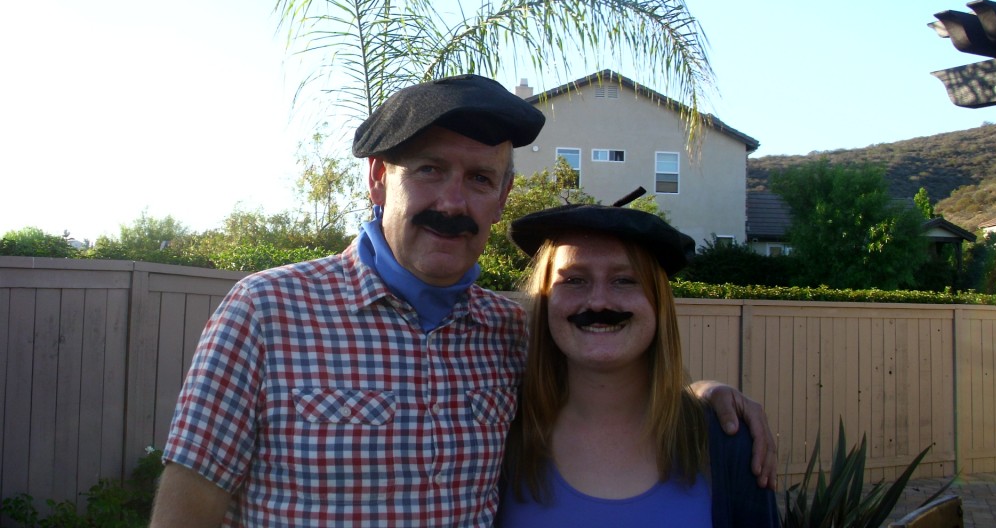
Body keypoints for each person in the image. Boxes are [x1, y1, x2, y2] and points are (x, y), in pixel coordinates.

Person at [149, 74, 776, 527]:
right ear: (377, 178)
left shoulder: (510, 334)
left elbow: (608, 366)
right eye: (429, 170)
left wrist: (703, 395)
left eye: (479, 179)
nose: (453, 203)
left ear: (502, 197)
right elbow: (187, 507)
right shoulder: (266, 310)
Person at [498, 201, 780, 527]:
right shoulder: (501, 429)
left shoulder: (724, 440)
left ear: (658, 303)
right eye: (574, 280)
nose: (599, 301)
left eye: (624, 280)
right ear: (546, 299)